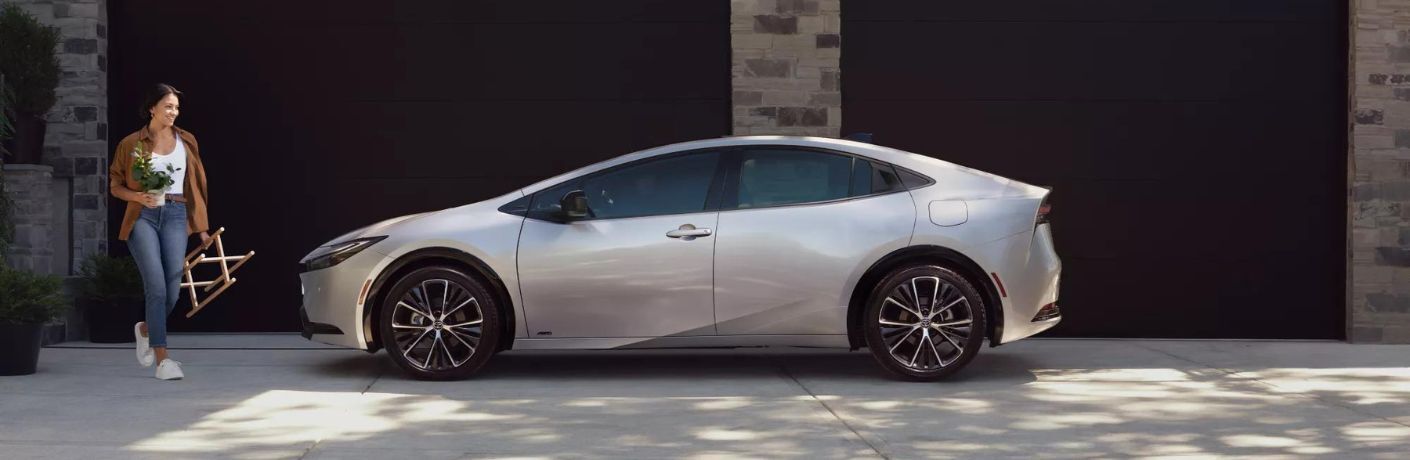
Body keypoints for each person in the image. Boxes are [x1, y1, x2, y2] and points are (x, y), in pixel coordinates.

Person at [107, 83, 211, 380]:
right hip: (143, 216)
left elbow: (196, 187)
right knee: (155, 285)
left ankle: (145, 329)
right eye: (168, 106)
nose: (173, 112)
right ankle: (163, 359)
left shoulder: (187, 141)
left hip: (177, 214)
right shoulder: (131, 143)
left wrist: (201, 228)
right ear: (152, 107)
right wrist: (137, 197)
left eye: (176, 108)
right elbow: (115, 185)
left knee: (172, 289)